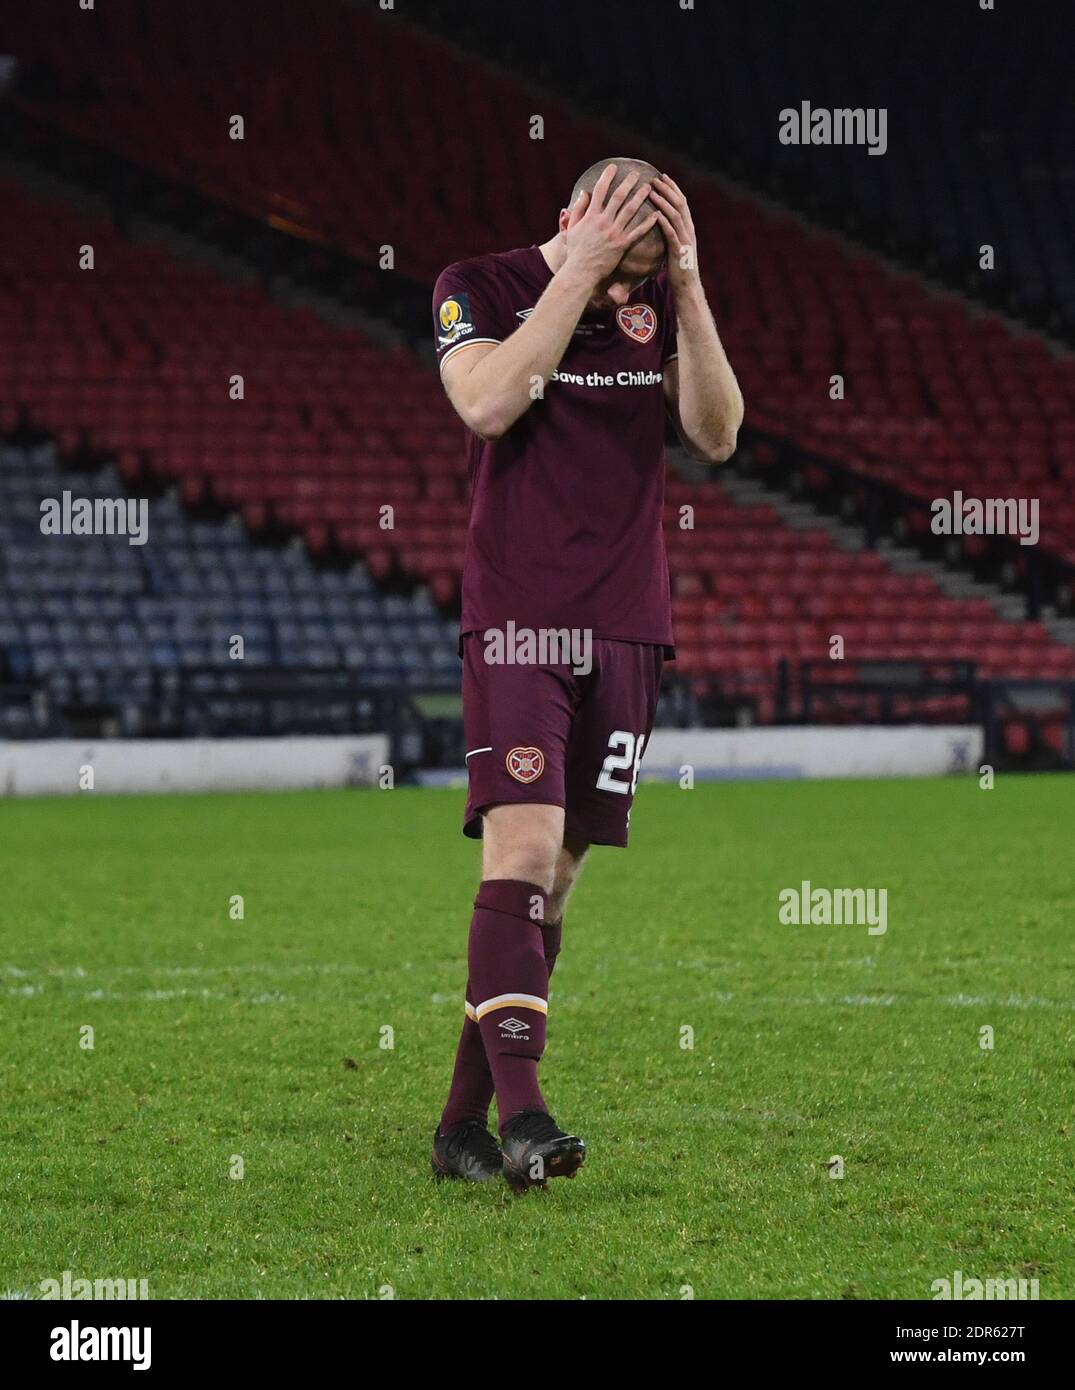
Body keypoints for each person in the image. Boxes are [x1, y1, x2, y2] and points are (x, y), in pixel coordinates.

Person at [429, 159, 743, 1190]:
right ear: (568, 217)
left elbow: (716, 431)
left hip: (627, 625)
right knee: (520, 849)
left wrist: (685, 284)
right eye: (618, 266)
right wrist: (581, 275)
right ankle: (527, 1119)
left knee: (556, 883)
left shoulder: (660, 298)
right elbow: (483, 403)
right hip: (519, 619)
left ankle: (460, 1129)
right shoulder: (476, 283)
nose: (622, 294)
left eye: (637, 275)